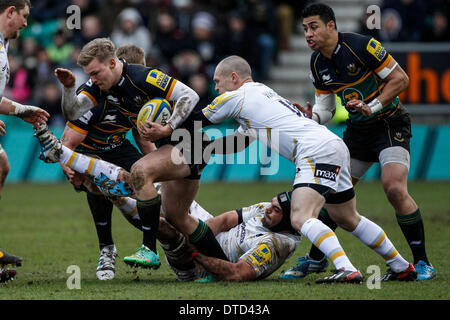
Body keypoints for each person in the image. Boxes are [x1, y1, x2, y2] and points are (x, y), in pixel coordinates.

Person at [191, 55, 417, 283]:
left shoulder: (237, 97)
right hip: (333, 145)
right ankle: (400, 265)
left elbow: (196, 119)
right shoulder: (260, 95)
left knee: (300, 217)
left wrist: (167, 130)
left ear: (234, 78)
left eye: (218, 81)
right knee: (347, 217)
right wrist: (207, 149)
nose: (216, 87)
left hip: (314, 151)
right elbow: (239, 142)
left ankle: (346, 268)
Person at [39, 37, 229, 272]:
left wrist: (168, 127)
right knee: (177, 218)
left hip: (191, 143)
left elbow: (190, 95)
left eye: (96, 72)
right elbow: (73, 111)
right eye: (89, 74)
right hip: (177, 149)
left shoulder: (144, 77)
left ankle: (148, 250)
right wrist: (68, 89)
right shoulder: (100, 88)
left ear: (111, 62)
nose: (93, 79)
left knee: (139, 172)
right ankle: (226, 268)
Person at [282, 3, 435, 281]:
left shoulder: (363, 46)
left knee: (393, 188)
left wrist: (372, 106)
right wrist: (311, 115)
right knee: (332, 195)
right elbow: (326, 109)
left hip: (389, 123)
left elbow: (401, 79)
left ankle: (422, 262)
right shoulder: (317, 63)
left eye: (313, 26)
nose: (308, 34)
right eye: (305, 29)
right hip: (357, 133)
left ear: (331, 26)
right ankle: (316, 259)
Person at [56, 44, 156, 280]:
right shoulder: (93, 97)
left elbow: (142, 138)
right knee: (97, 179)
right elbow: (66, 144)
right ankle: (106, 249)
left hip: (118, 146)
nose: (136, 83)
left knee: (149, 184)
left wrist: (157, 169)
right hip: (89, 151)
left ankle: (161, 246)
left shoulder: (137, 96)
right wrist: (70, 170)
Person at [0, 0, 50, 282]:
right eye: (24, 16)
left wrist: (23, 110)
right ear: (10, 12)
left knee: (2, 165)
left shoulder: (4, 45)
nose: (26, 23)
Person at [161, 191, 302, 282]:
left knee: (162, 225)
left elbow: (237, 273)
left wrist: (195, 254)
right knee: (167, 196)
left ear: (288, 220)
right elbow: (225, 221)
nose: (268, 209)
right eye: (272, 204)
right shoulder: (265, 209)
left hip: (200, 268)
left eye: (276, 209)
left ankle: (148, 248)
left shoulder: (276, 245)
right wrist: (195, 239)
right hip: (202, 242)